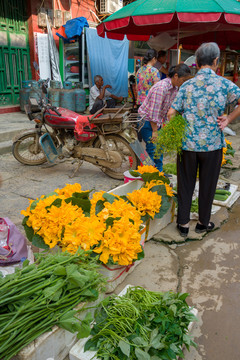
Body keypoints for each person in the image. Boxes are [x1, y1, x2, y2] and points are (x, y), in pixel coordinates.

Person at [168, 42, 240, 238]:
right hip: (212, 144)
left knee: (185, 183)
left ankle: (183, 224)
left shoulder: (187, 85)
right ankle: (202, 223)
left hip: (188, 144)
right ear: (216, 61)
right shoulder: (224, 84)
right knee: (208, 184)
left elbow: (171, 112)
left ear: (197, 62)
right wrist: (228, 118)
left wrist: (176, 129)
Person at [138, 64, 191, 172]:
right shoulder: (161, 88)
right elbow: (153, 113)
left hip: (157, 121)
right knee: (153, 148)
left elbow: (171, 108)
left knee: (160, 148)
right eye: (183, 79)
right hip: (147, 121)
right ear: (176, 76)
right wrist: (155, 131)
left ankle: (159, 173)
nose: (184, 82)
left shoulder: (175, 88)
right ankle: (148, 174)